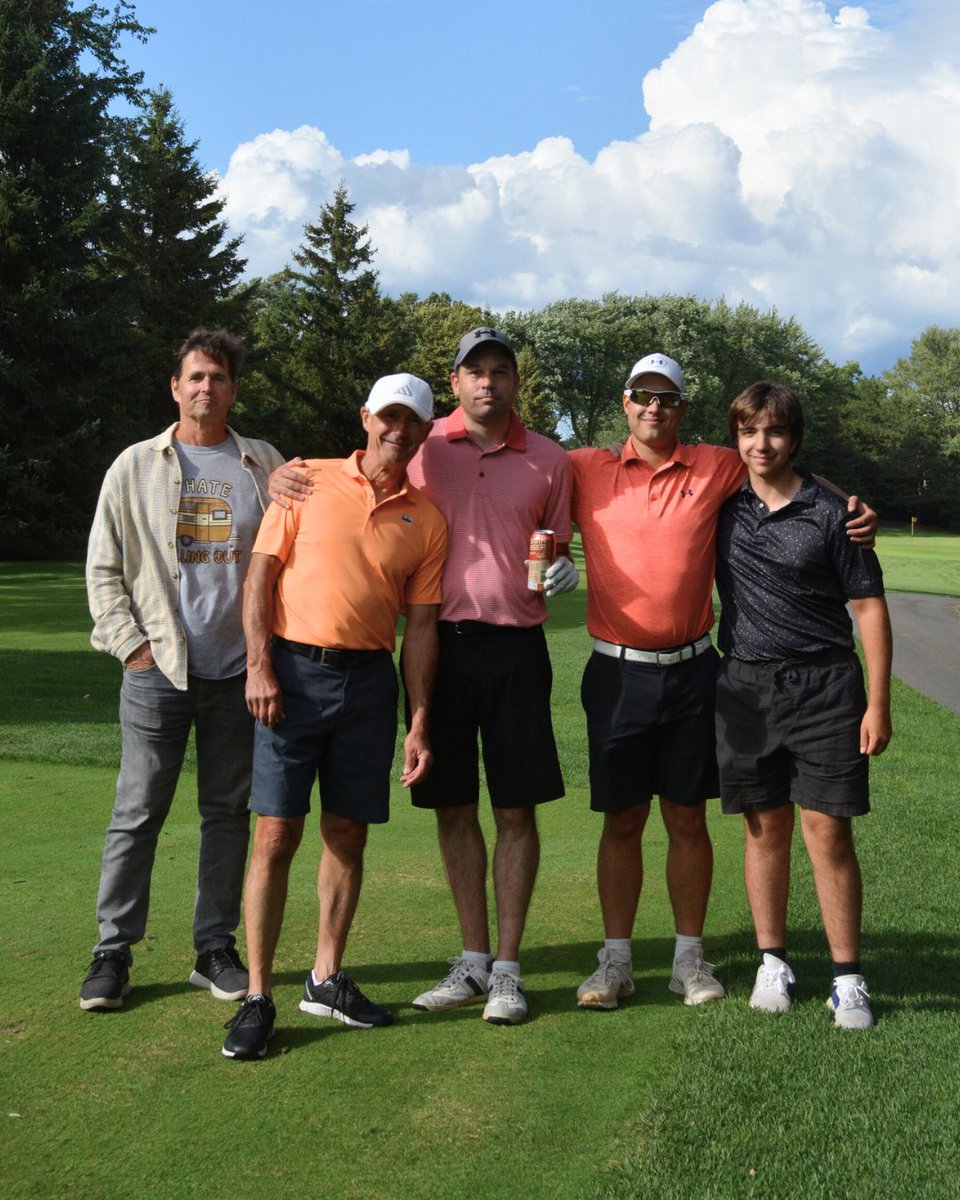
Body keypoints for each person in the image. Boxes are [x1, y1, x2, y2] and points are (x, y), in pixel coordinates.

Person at [269, 328, 578, 1026]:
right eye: (475, 371)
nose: (488, 382)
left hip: (517, 648)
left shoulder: (550, 459)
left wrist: (563, 566)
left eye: (501, 371)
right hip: (437, 646)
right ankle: (472, 960)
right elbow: (355, 476)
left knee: (516, 810)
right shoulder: (420, 440)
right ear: (456, 381)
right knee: (453, 807)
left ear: (516, 383)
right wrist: (275, 473)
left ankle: (507, 969)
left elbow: (555, 543)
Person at [567, 353, 877, 1012]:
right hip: (615, 670)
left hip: (695, 669)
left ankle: (689, 960)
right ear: (625, 402)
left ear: (683, 408)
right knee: (622, 819)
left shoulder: (717, 464)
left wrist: (850, 506)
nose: (654, 407)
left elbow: (785, 471)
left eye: (667, 398)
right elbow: (517, 494)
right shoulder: (583, 467)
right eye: (642, 395)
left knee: (687, 817)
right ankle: (615, 961)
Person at [222, 373, 447, 1060]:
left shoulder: (427, 518)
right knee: (274, 834)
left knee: (347, 832)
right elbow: (260, 578)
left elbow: (421, 630)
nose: (397, 431)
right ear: (366, 417)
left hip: (369, 683)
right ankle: (258, 995)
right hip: (291, 674)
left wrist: (418, 720)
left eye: (411, 422)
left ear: (425, 433)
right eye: (388, 417)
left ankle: (325, 978)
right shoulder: (306, 481)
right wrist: (258, 665)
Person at [81, 328, 285, 1012]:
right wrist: (132, 648)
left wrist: (266, 656)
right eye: (195, 377)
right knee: (138, 810)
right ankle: (113, 951)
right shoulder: (134, 466)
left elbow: (293, 554)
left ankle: (213, 948)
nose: (206, 387)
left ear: (233, 390)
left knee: (226, 812)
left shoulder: (263, 464)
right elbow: (103, 569)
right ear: (176, 387)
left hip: (238, 672)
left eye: (218, 378)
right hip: (158, 670)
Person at [714, 382, 891, 1029]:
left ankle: (848, 979)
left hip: (825, 689)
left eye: (775, 431)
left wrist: (879, 703)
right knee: (764, 829)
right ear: (736, 437)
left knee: (829, 831)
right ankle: (773, 963)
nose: (761, 444)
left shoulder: (834, 513)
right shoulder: (721, 503)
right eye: (749, 432)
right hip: (745, 689)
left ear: (794, 439)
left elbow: (869, 608)